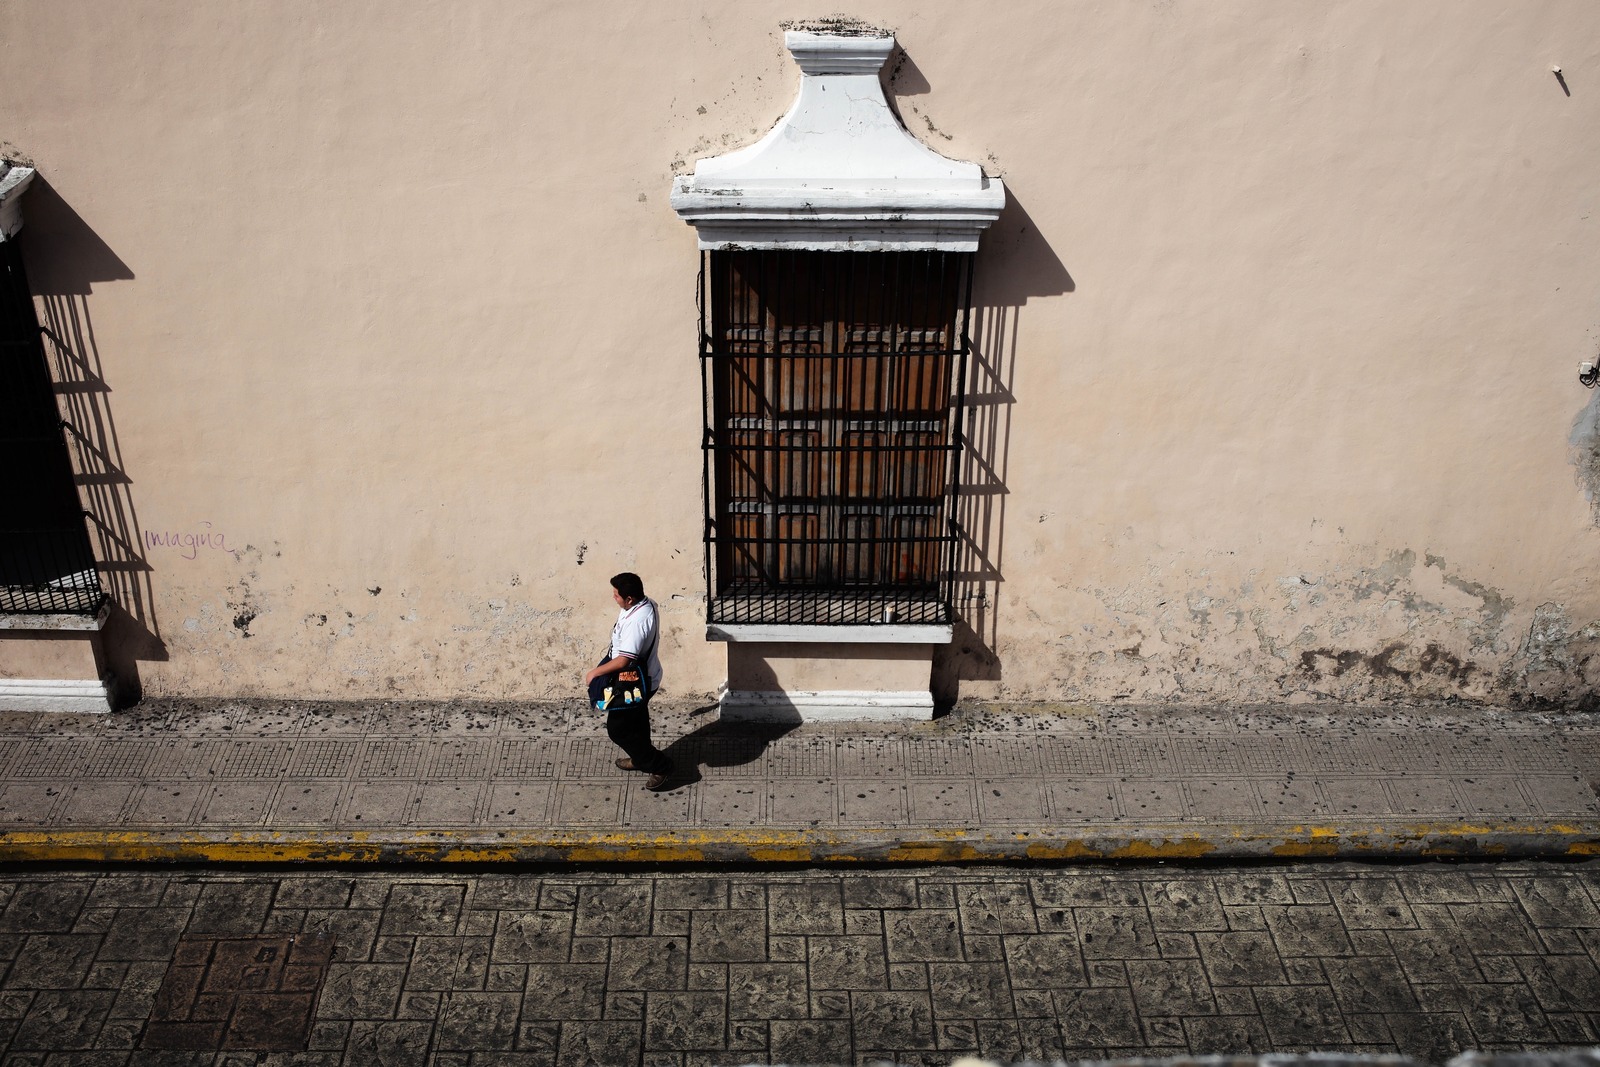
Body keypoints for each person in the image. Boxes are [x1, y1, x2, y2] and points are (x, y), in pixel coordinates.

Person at [583, 572, 673, 790]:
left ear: (630, 599)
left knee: (619, 730)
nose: (614, 598)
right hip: (644, 679)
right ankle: (641, 758)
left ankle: (659, 766)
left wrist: (595, 673)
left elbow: (624, 660)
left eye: (616, 595)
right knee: (637, 723)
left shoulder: (636, 623)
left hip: (635, 684)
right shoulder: (646, 604)